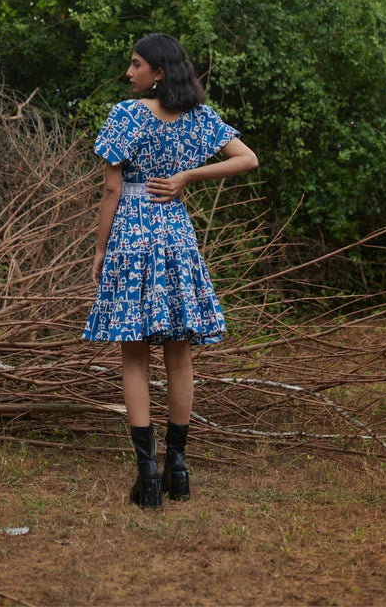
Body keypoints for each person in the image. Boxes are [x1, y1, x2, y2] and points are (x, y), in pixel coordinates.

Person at [82, 33, 258, 509]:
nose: (129, 72)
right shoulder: (199, 118)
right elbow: (247, 158)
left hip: (132, 236)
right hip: (176, 235)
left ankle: (149, 477)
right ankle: (178, 468)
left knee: (134, 357)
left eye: (135, 64)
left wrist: (99, 251)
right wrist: (186, 177)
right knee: (180, 357)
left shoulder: (127, 114)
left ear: (157, 72)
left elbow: (112, 191)